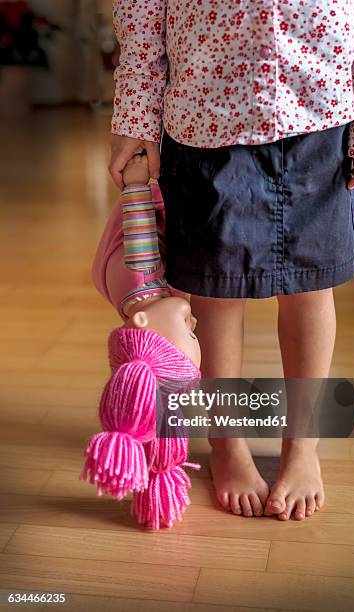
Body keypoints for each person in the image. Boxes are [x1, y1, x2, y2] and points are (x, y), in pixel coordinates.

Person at [108, 1, 354, 521]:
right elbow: (141, 9)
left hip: (321, 107)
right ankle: (227, 441)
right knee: (215, 292)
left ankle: (303, 443)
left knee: (311, 287)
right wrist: (134, 113)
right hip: (206, 108)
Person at [81, 153, 202, 529]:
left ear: (143, 322)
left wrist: (136, 181)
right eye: (193, 332)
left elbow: (137, 216)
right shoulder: (153, 308)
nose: (194, 325)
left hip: (155, 200)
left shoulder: (142, 273)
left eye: (189, 330)